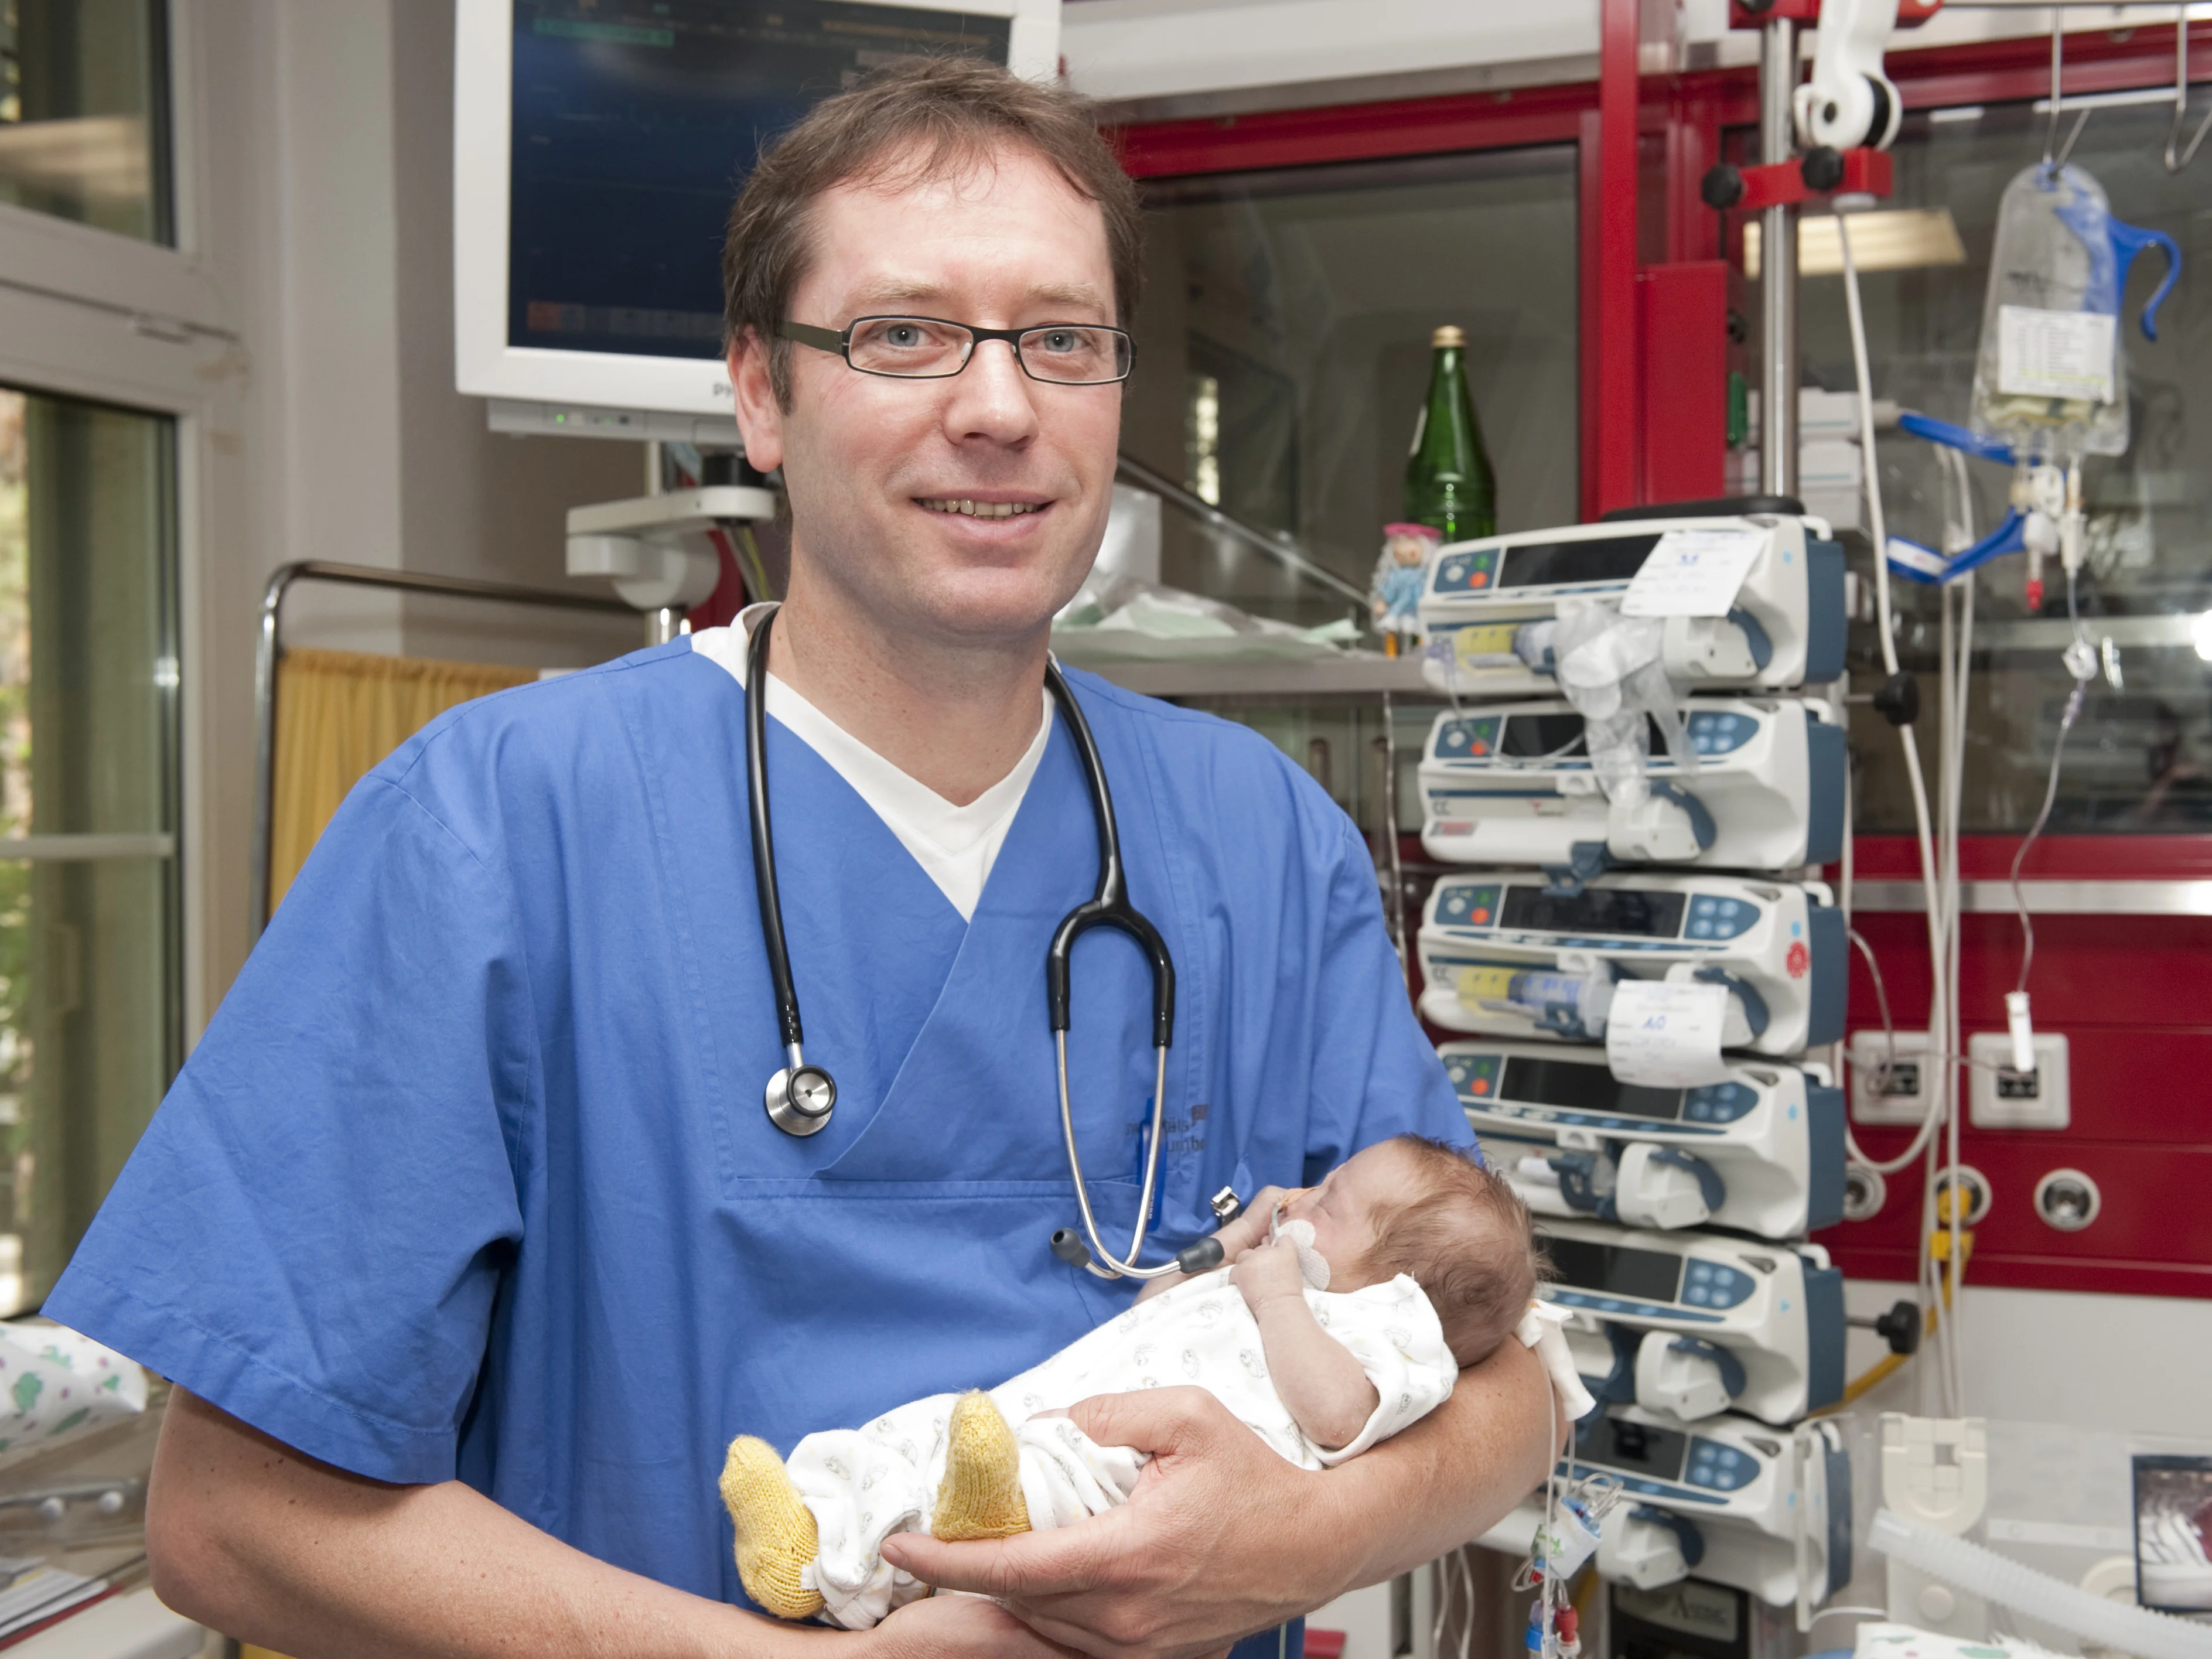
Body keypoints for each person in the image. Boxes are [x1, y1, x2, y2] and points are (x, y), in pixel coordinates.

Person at [44, 57, 1553, 1659]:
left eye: (1062, 339)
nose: (997, 404)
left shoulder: (1257, 845)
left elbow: (1510, 1391)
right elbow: (224, 1516)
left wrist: (1300, 1535)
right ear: (760, 394)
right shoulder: (490, 827)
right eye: (904, 334)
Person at [720, 1137, 1542, 1629]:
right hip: (1048, 1417)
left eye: (1329, 1202)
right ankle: (804, 1536)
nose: (1299, 1196)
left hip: (1124, 1481)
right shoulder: (1262, 1277)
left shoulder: (1383, 1333)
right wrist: (1236, 1247)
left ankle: (846, 1581)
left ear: (1393, 1282)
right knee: (927, 1436)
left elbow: (1335, 1418)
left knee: (1012, 1508)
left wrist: (1282, 1293)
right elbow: (1151, 1303)